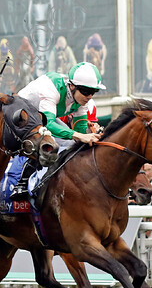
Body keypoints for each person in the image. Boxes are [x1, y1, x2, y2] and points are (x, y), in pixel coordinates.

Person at [10, 62, 104, 200]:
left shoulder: (83, 102)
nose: (89, 96)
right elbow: (49, 123)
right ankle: (22, 184)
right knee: (49, 141)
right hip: (22, 116)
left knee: (73, 143)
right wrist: (80, 136)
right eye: (85, 91)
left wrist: (89, 134)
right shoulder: (52, 88)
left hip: (41, 118)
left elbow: (79, 132)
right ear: (71, 86)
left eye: (93, 92)